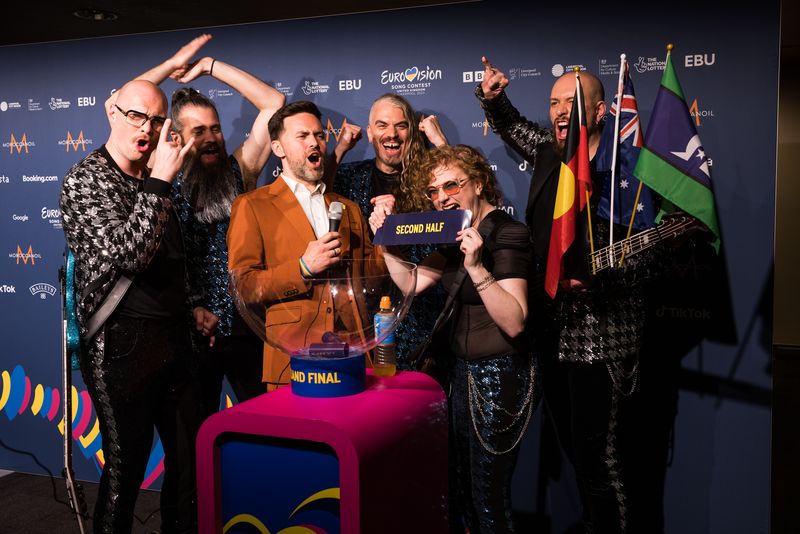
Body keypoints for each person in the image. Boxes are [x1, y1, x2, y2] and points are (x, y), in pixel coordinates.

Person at [476, 59, 658, 533]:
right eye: (553, 101)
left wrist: (602, 276)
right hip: (551, 329)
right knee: (578, 453)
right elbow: (513, 127)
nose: (559, 110)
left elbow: (655, 246)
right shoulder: (551, 154)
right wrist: (493, 98)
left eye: (571, 102)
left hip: (605, 331)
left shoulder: (628, 164)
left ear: (600, 111)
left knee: (601, 459)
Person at [369, 145, 538, 533]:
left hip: (501, 378)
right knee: (463, 496)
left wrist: (477, 268)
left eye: (451, 186)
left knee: (489, 500)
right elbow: (410, 284)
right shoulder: (454, 233)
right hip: (462, 376)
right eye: (434, 191)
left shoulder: (508, 232)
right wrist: (386, 242)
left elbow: (514, 322)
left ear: (477, 184)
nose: (442, 197)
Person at [60, 79, 201, 533]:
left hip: (176, 341)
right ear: (112, 114)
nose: (147, 127)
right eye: (137, 115)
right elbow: (130, 253)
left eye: (158, 120)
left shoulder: (158, 176)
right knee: (127, 471)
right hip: (120, 346)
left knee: (188, 466)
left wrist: (195, 304)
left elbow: (175, 259)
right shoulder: (86, 180)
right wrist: (161, 179)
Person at [227, 100, 382, 390]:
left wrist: (387, 238)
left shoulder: (346, 208)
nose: (315, 142)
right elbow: (243, 286)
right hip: (292, 363)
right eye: (302, 136)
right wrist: (302, 268)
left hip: (353, 360)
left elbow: (372, 279)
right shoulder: (252, 205)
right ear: (277, 148)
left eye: (320, 135)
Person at [331, 93, 449, 369]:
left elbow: (465, 192)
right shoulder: (351, 175)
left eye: (401, 125)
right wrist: (339, 150)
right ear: (370, 132)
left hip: (423, 318)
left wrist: (441, 144)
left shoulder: (432, 179)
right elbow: (317, 194)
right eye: (382, 125)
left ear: (412, 131)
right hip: (364, 317)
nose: (392, 134)